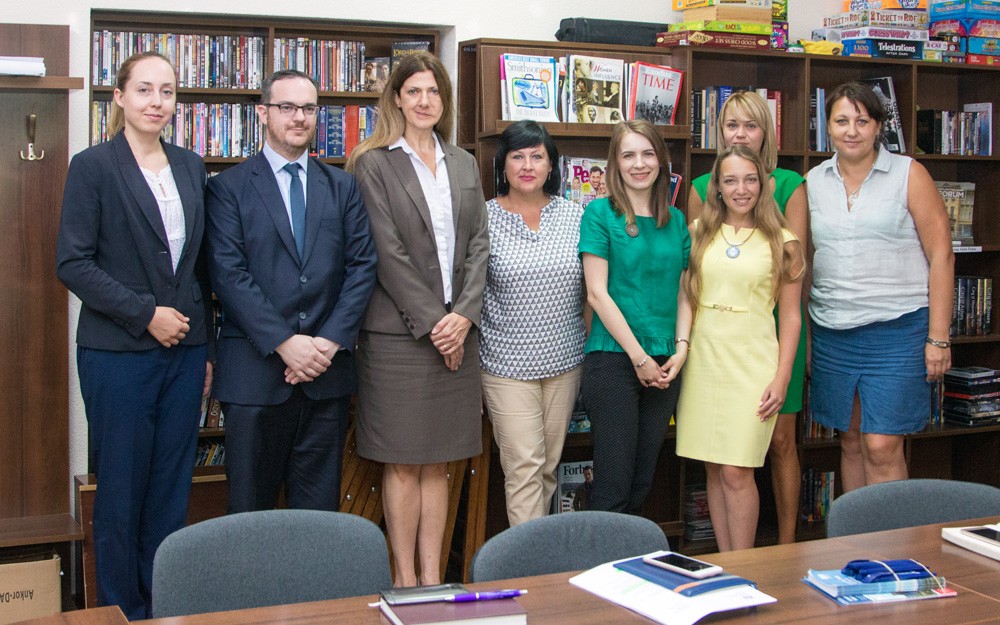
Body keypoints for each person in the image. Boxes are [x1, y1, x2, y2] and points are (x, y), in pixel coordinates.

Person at [55, 51, 213, 619]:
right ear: (119, 97)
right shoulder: (93, 166)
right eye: (144, 89)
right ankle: (122, 612)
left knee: (170, 492)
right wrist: (146, 314)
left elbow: (200, 269)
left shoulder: (191, 166)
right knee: (121, 495)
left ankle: (161, 608)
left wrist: (207, 350)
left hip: (186, 353)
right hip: (119, 354)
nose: (156, 102)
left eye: (167, 91)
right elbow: (73, 264)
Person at [205, 69, 377, 514]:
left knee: (318, 520)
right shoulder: (226, 188)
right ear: (263, 113)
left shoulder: (342, 186)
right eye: (287, 107)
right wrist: (285, 342)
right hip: (255, 376)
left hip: (326, 375)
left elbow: (362, 267)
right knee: (250, 515)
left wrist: (327, 343)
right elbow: (228, 274)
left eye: (308, 108)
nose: (299, 117)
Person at [346, 51, 489, 587]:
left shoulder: (464, 163)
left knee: (441, 462)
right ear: (397, 100)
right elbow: (387, 253)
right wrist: (436, 324)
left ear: (444, 100)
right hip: (399, 340)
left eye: (433, 91)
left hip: (459, 334)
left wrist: (462, 318)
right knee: (403, 461)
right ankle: (404, 580)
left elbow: (479, 245)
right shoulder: (373, 163)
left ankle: (433, 579)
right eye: (414, 92)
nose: (425, 101)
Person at [807, 82, 953, 492]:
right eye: (841, 121)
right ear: (828, 127)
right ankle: (858, 534)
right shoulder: (813, 181)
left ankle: (892, 535)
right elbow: (804, 262)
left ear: (877, 127)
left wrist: (938, 338)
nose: (851, 130)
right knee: (851, 440)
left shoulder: (909, 174)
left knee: (882, 445)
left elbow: (942, 255)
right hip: (833, 333)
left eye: (862, 120)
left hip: (897, 331)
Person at [686, 90, 808, 545]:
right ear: (717, 186)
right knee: (714, 466)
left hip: (754, 358)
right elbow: (686, 295)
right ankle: (726, 564)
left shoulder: (783, 239)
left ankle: (747, 565)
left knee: (739, 469)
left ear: (763, 184)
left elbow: (790, 315)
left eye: (750, 181)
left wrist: (782, 376)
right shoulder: (698, 231)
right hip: (704, 359)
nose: (741, 189)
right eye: (731, 181)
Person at [580, 119, 691, 515]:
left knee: (642, 482)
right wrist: (638, 357)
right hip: (614, 359)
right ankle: (601, 556)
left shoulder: (676, 220)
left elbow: (684, 292)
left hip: (665, 363)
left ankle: (627, 555)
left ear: (661, 160)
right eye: (628, 155)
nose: (639, 163)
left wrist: (681, 348)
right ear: (615, 163)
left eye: (647, 154)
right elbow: (597, 293)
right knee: (613, 486)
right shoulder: (599, 214)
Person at [480, 120, 586, 526]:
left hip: (564, 362)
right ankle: (529, 563)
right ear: (503, 165)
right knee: (524, 468)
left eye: (537, 156)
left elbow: (592, 288)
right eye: (518, 156)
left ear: (551, 165)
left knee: (547, 469)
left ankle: (536, 552)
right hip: (506, 366)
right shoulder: (483, 217)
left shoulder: (575, 215)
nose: (527, 166)